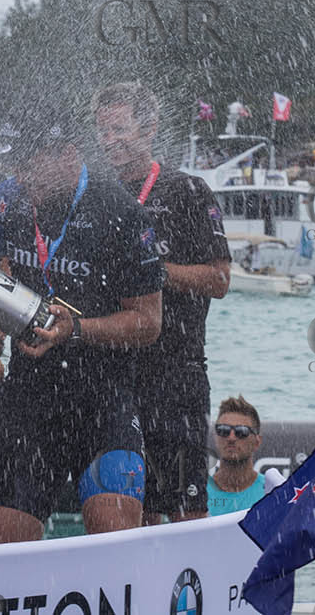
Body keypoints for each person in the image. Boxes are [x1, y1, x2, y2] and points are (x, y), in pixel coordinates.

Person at [0, 104, 164, 543]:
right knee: (2, 552)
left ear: (67, 155)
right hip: (29, 400)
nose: (20, 175)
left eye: (28, 162)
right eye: (15, 162)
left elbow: (148, 323)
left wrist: (75, 330)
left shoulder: (120, 212)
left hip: (103, 401)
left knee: (114, 542)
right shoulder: (9, 198)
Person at [94, 81, 230, 525]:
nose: (108, 140)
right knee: (137, 512)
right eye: (102, 130)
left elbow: (220, 279)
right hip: (114, 373)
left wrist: (154, 270)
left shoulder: (187, 191)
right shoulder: (95, 195)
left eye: (118, 128)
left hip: (177, 372)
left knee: (186, 513)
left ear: (149, 127)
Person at [209, 396, 283, 514]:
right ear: (215, 437)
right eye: (223, 430)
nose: (231, 438)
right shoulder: (199, 493)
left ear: (257, 442)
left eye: (241, 432)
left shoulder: (272, 493)